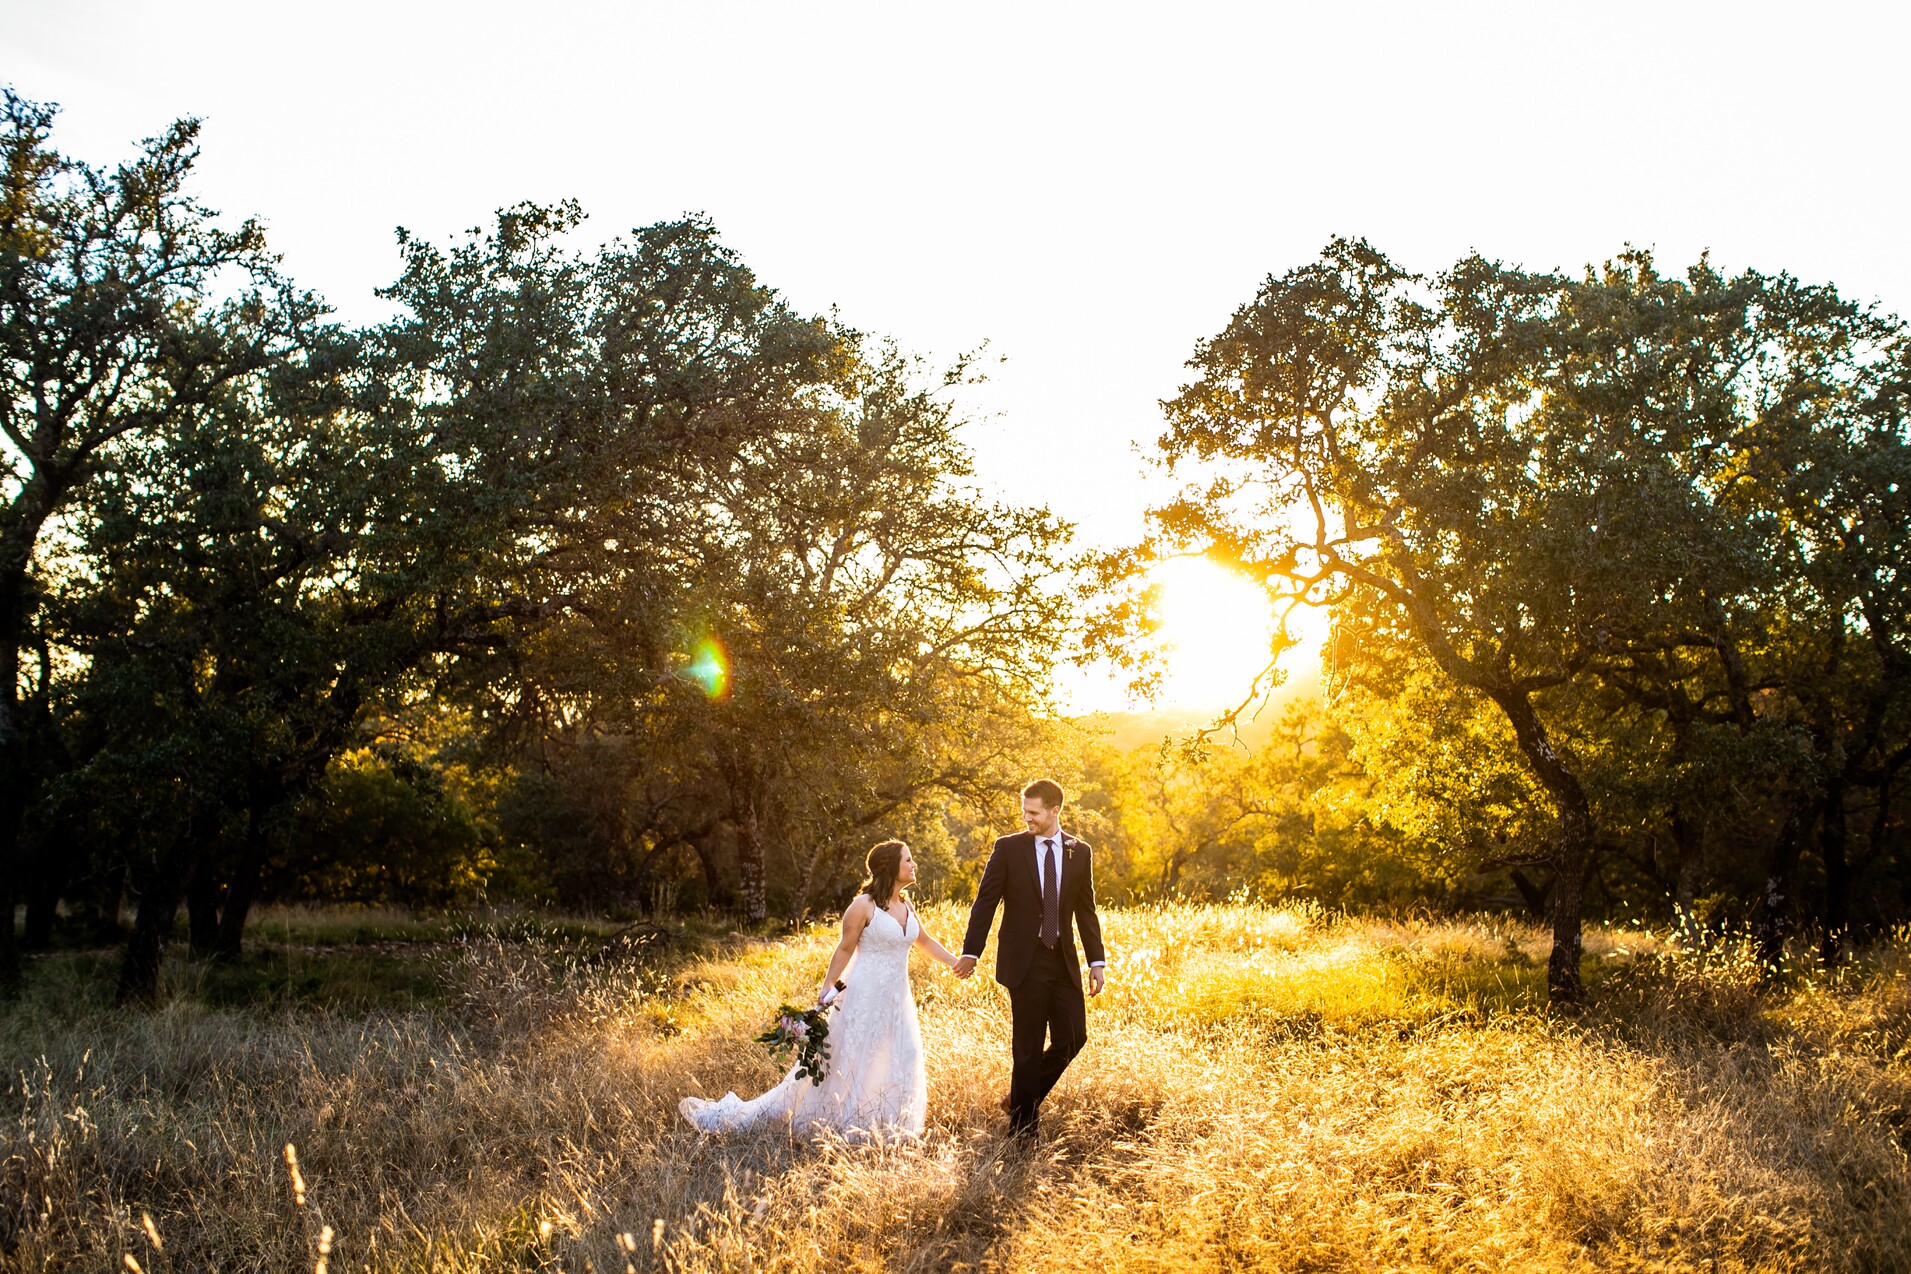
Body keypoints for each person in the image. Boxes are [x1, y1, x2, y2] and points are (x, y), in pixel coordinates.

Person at [679, 840, 963, 1141]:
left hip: (897, 999)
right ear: (891, 867)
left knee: (898, 1058)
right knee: (850, 1060)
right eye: (908, 860)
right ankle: (842, 1121)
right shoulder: (863, 906)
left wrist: (956, 963)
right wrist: (828, 984)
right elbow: (844, 948)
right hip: (862, 995)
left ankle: (888, 1127)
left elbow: (926, 941)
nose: (913, 865)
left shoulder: (906, 904)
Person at [955, 779, 1107, 1138]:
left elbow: (1087, 911)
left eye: (1034, 813)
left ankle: (1021, 1097)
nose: (1027, 819)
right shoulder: (1008, 849)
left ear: (1056, 811)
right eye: (1024, 812)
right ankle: (1023, 1131)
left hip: (1063, 961)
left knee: (1074, 1036)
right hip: (1023, 961)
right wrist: (971, 951)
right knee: (1028, 1045)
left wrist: (1096, 961)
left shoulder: (1079, 851)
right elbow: (986, 901)